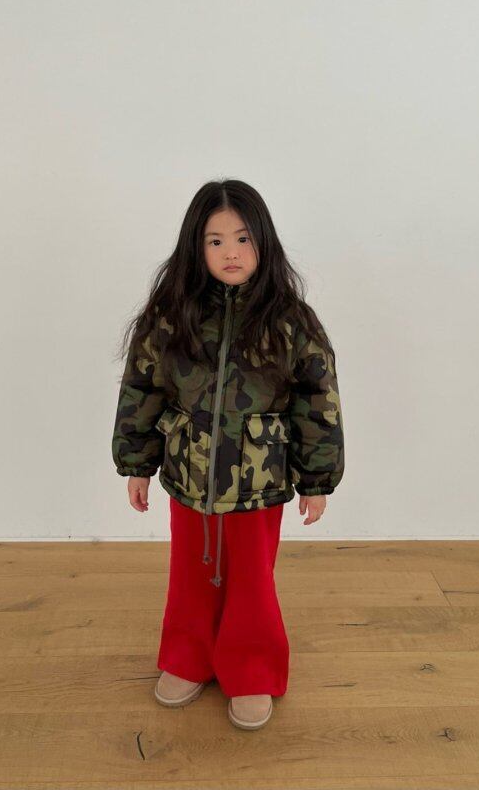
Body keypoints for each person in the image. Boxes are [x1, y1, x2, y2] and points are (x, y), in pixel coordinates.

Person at [111, 178, 345, 730]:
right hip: (188, 473)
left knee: (252, 581)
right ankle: (188, 657)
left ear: (264, 242)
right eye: (215, 241)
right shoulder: (170, 317)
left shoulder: (291, 322)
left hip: (259, 481)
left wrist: (317, 481)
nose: (231, 252)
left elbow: (318, 402)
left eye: (242, 238)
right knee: (191, 574)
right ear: (196, 248)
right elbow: (142, 389)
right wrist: (136, 464)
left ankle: (251, 666)